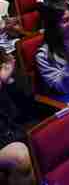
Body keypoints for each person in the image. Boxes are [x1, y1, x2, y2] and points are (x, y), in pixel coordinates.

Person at [0, 49, 34, 185]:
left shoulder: (2, 59)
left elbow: (28, 98)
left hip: (13, 129)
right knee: (20, 157)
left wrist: (10, 79)